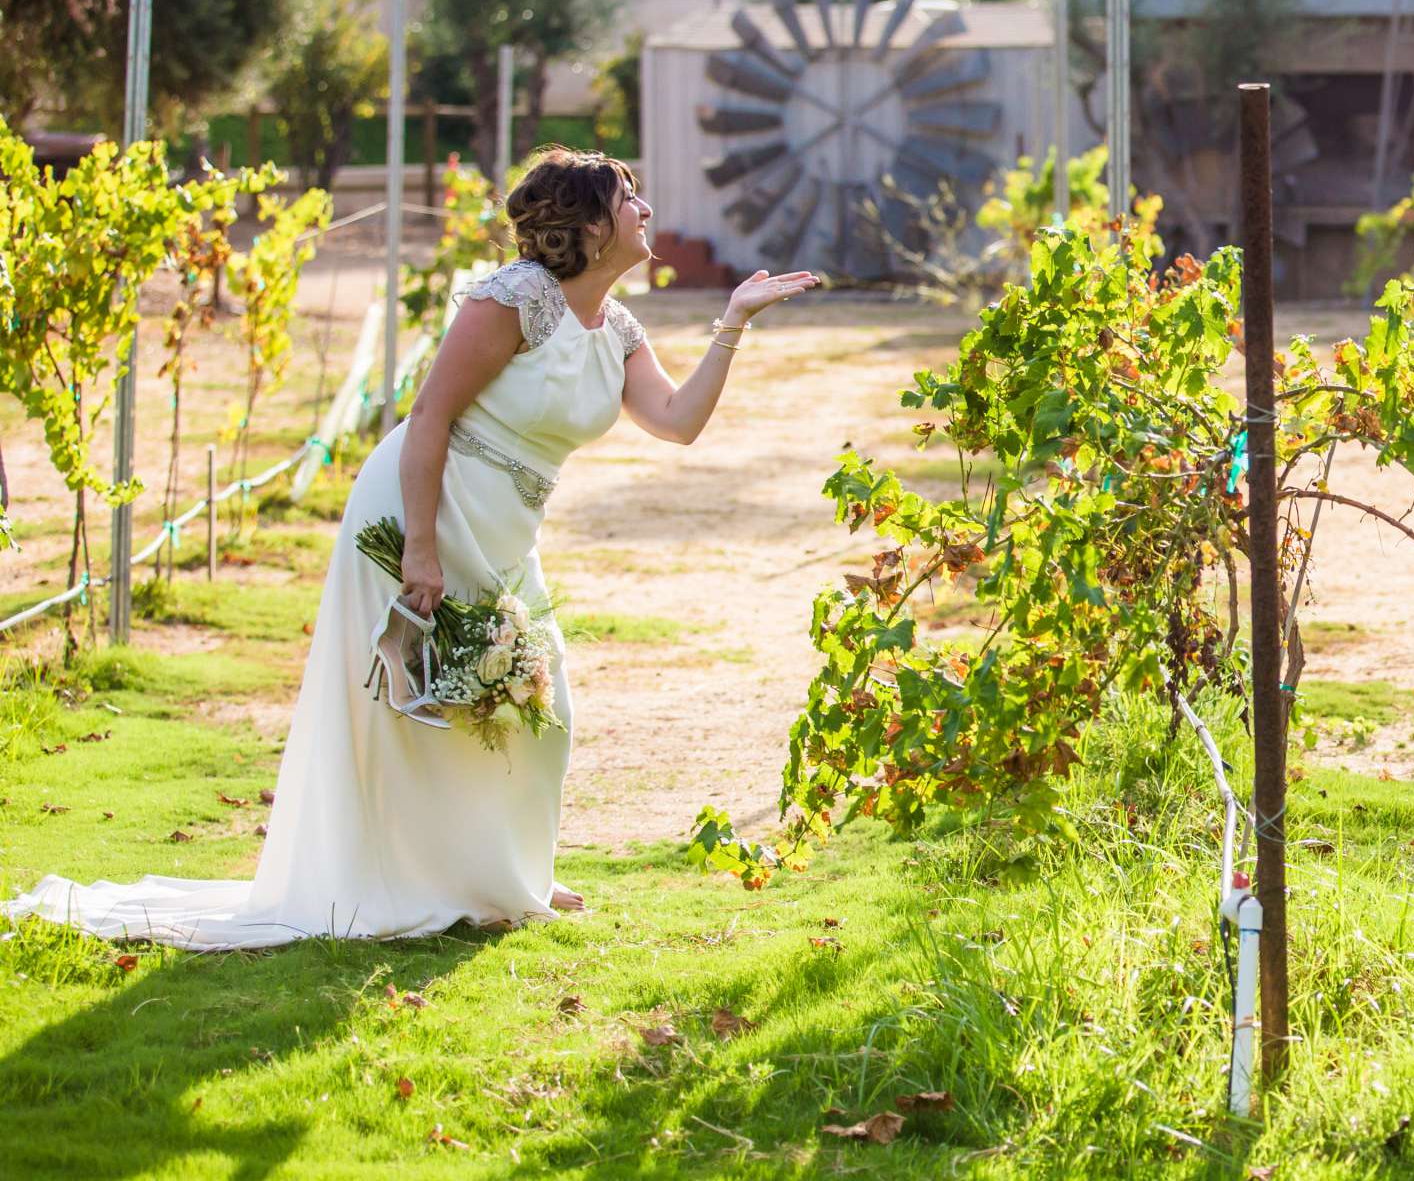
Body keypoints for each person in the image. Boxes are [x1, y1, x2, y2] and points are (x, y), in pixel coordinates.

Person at [6, 148, 820, 949]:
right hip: (422, 505)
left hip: (505, 530)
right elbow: (429, 417)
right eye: (627, 197)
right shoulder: (516, 299)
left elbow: (677, 422)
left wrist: (734, 322)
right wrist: (420, 553)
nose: (645, 209)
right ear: (589, 224)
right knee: (413, 709)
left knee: (540, 711)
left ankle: (508, 876)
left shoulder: (619, 327)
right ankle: (413, 881)